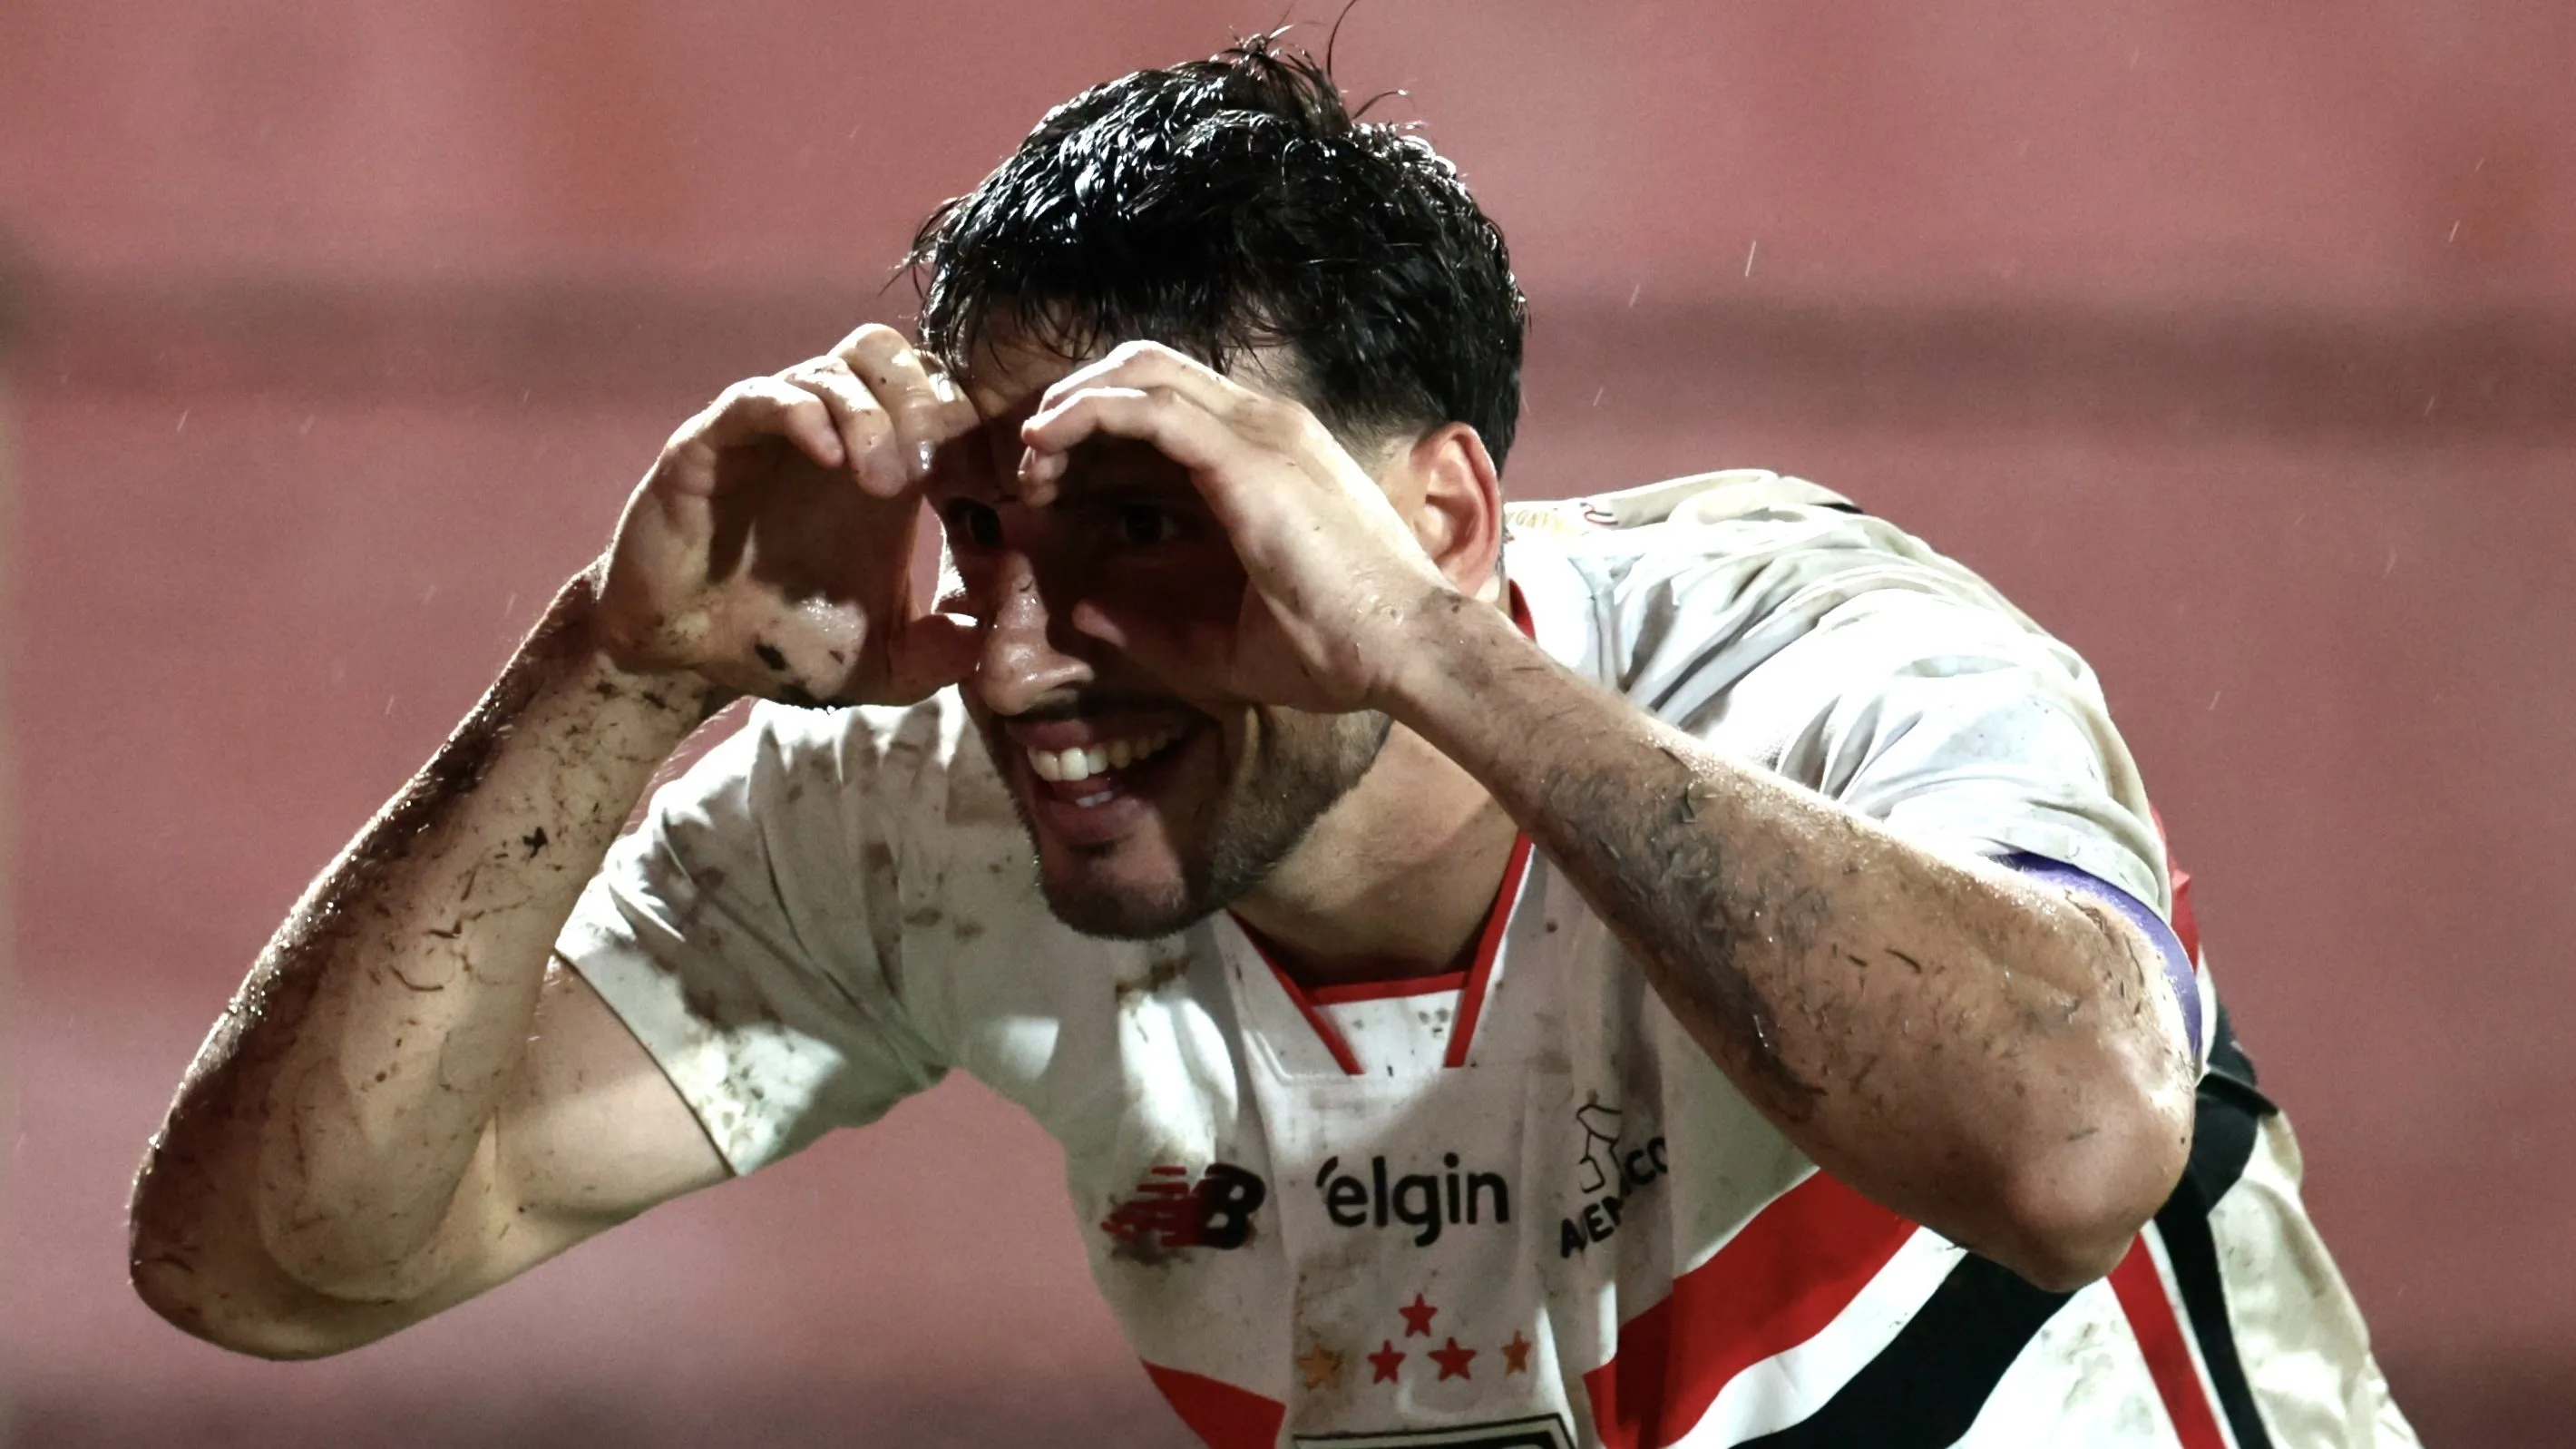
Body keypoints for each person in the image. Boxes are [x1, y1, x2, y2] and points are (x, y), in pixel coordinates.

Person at [130, 36, 2417, 1449]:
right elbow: (268, 1265)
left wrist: (1429, 655)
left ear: (1424, 515)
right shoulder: (928, 789)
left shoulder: (1807, 647)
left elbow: (2076, 1144)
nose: (1028, 655)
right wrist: (615, 669)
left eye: (1153, 523)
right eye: (986, 527)